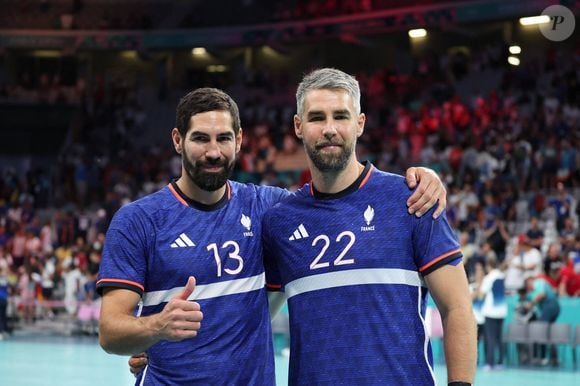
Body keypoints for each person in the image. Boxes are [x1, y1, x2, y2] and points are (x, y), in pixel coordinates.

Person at [99, 87, 447, 385]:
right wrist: (157, 326)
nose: (213, 151)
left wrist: (421, 178)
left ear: (238, 140)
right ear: (178, 140)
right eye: (200, 138)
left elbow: (340, 196)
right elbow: (111, 332)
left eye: (223, 138)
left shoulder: (271, 210)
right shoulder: (138, 221)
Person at [262, 68, 476, 385]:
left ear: (360, 123)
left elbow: (457, 307)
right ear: (298, 126)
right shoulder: (280, 221)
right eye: (317, 117)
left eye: (341, 116)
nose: (329, 129)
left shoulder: (412, 200)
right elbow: (256, 318)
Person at [477, 256, 507, 371]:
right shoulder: (501, 275)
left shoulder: (489, 278)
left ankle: (489, 363)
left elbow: (481, 295)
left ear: (488, 265)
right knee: (499, 338)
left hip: (490, 312)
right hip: (501, 312)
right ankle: (500, 362)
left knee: (490, 338)